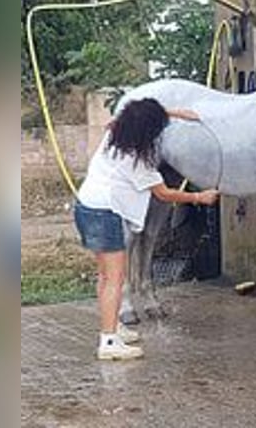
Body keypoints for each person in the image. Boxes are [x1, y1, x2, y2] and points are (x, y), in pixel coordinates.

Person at [74, 98, 219, 360]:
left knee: (105, 276)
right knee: (115, 279)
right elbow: (164, 194)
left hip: (85, 206)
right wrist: (200, 197)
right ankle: (108, 342)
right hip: (104, 213)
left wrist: (179, 112)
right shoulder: (136, 162)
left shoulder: (114, 132)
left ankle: (113, 326)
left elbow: (139, 114)